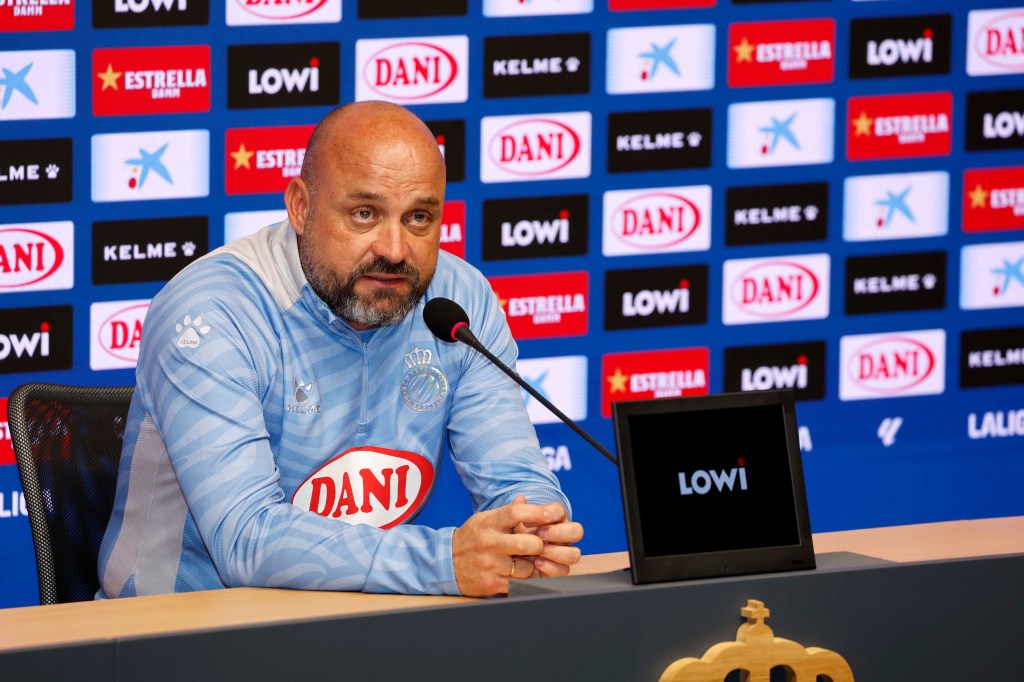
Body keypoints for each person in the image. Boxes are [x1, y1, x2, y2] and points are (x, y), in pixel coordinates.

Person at [97, 101, 583, 598]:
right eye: (364, 214)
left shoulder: (459, 302)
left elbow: (515, 479)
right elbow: (245, 538)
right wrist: (443, 560)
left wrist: (531, 528)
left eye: (418, 218)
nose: (394, 249)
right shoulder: (214, 311)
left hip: (361, 618)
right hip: (181, 627)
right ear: (300, 207)